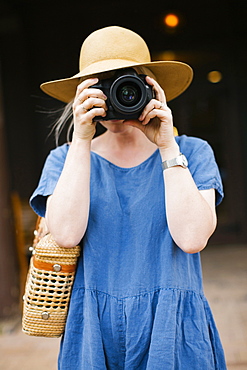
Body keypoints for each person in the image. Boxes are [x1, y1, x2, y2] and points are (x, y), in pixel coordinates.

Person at [30, 26, 226, 369]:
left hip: (173, 328)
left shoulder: (191, 152)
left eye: (126, 85)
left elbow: (193, 237)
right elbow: (65, 234)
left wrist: (167, 145)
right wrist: (81, 140)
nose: (114, 97)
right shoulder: (65, 159)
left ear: (151, 88)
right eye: (99, 87)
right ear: (80, 95)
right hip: (91, 330)